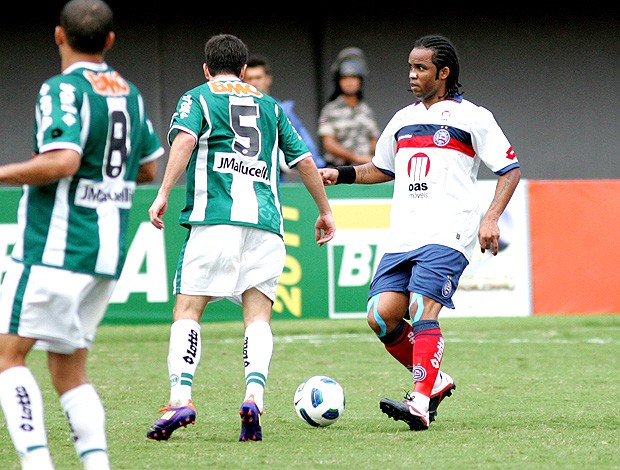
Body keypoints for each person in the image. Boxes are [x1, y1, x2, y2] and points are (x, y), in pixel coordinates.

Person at [320, 34, 521, 431]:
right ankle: (435, 381)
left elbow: (509, 170)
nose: (412, 74)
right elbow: (380, 169)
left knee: (422, 309)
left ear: (443, 73)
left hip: (449, 231)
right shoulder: (402, 118)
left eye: (421, 68)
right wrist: (339, 175)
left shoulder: (473, 117)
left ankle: (419, 400)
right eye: (410, 67)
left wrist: (490, 217)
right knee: (380, 316)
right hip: (404, 235)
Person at [145, 34, 335, 443]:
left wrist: (163, 193)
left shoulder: (197, 98)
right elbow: (303, 161)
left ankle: (181, 398)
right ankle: (253, 398)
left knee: (188, 310)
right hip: (267, 224)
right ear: (245, 70)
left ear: (206, 68)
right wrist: (325, 211)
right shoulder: (271, 106)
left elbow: (185, 140)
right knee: (257, 316)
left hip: (215, 218)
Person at [0, 0, 164, 468]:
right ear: (110, 41)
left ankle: (36, 463)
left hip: (54, 248)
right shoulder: (129, 94)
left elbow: (63, 160)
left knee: (7, 358)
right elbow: (149, 166)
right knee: (68, 371)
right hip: (104, 255)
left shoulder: (61, 89)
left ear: (58, 36)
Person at [245, 54, 326, 181]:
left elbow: (307, 150)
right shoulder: (232, 110)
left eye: (258, 77)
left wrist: (319, 170)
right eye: (249, 78)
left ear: (268, 79)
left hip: (276, 183)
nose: (253, 82)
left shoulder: (282, 111)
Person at [318, 47, 380, 167]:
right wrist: (356, 158)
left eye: (353, 77)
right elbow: (329, 144)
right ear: (339, 81)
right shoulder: (330, 110)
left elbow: (373, 140)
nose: (349, 82)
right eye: (345, 78)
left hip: (364, 169)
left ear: (360, 80)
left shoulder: (366, 110)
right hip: (338, 170)